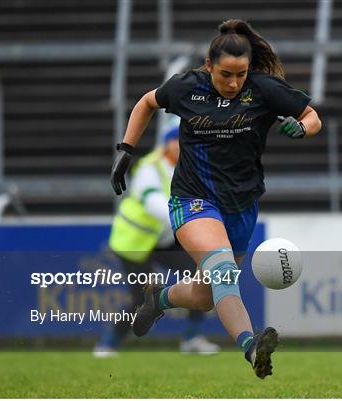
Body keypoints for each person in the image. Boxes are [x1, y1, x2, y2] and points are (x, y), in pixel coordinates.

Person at [110, 19, 321, 378]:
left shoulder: (265, 90)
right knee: (223, 272)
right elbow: (147, 101)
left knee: (206, 296)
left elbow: (312, 116)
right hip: (193, 201)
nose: (234, 83)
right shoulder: (187, 89)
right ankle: (250, 346)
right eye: (226, 74)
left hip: (242, 206)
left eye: (241, 74)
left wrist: (302, 128)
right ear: (209, 67)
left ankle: (158, 299)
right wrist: (127, 149)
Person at [95, 116, 220, 357]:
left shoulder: (188, 168)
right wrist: (189, 223)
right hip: (132, 243)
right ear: (167, 144)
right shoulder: (149, 168)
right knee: (141, 297)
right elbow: (154, 203)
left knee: (203, 274)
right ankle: (108, 343)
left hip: (160, 240)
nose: (182, 145)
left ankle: (191, 338)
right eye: (177, 140)